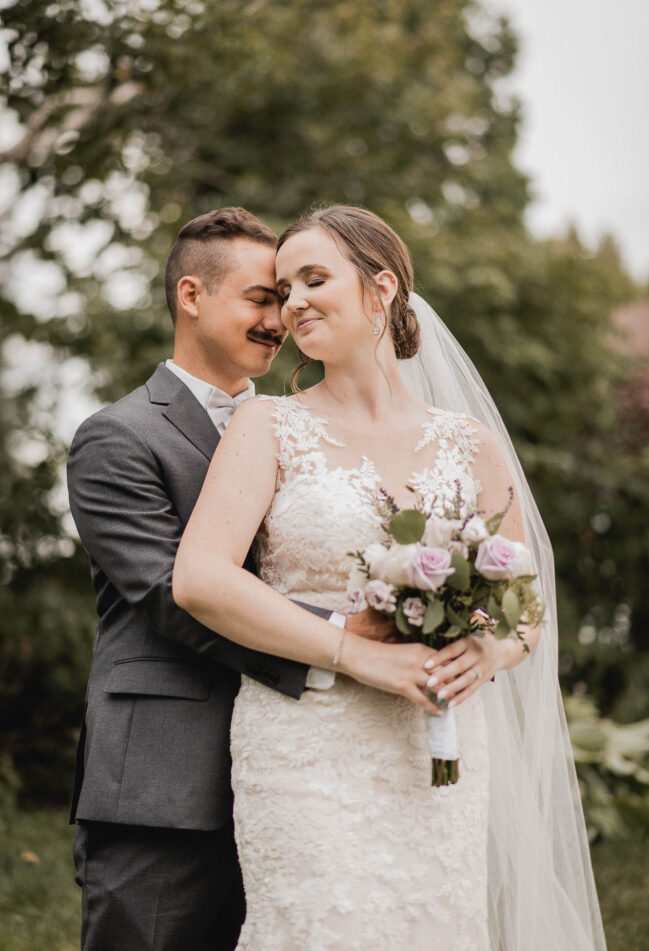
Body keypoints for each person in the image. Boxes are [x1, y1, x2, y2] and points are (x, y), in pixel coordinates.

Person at [173, 205, 607, 950]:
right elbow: (200, 580)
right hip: (306, 744)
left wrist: (489, 650)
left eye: (314, 279)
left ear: (380, 290)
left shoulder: (468, 443)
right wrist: (354, 652)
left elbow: (526, 601)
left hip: (439, 744)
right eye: (283, 288)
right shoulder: (267, 426)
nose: (293, 303)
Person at [66, 207, 433, 951]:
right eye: (261, 298)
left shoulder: (300, 431)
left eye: (288, 297)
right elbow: (170, 596)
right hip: (165, 782)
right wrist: (349, 643)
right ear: (191, 295)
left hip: (305, 777)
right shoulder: (118, 436)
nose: (280, 319)